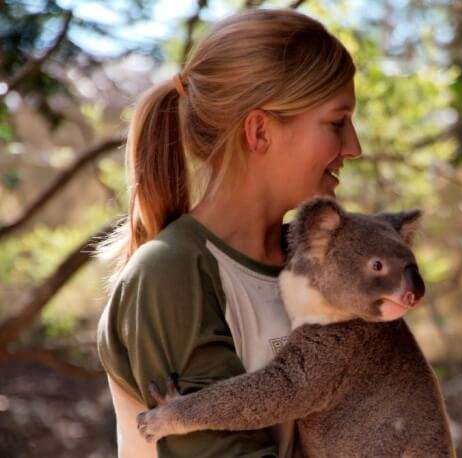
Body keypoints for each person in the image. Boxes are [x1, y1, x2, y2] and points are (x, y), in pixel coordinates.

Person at [95, 8, 361, 457]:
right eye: (337, 123)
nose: (353, 147)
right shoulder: (171, 274)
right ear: (259, 131)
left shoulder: (320, 266)